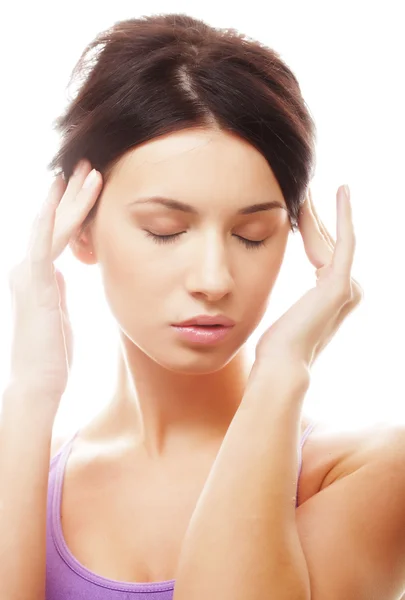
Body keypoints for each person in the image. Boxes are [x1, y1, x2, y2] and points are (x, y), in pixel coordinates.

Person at [1, 12, 404, 600]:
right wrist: (30, 391)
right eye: (166, 230)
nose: (214, 280)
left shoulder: (363, 469)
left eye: (252, 235)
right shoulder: (22, 470)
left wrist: (283, 372)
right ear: (81, 229)